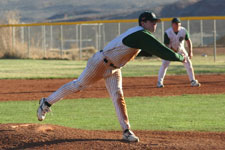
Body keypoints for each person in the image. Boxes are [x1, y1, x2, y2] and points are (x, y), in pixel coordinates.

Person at [37, 11, 185, 142]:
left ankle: (126, 131)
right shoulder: (141, 34)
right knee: (79, 85)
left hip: (114, 68)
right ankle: (46, 102)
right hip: (100, 62)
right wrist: (179, 57)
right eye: (152, 21)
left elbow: (147, 50)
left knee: (118, 95)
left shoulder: (140, 34)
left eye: (156, 22)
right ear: (143, 22)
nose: (155, 24)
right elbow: (160, 50)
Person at [157, 17, 201, 88]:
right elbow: (166, 45)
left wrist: (190, 52)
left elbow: (188, 41)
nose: (178, 26)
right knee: (164, 64)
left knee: (189, 64)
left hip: (181, 50)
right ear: (172, 25)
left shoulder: (183, 31)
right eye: (176, 24)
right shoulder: (168, 32)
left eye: (179, 24)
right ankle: (159, 82)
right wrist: (170, 52)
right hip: (169, 50)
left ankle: (193, 81)